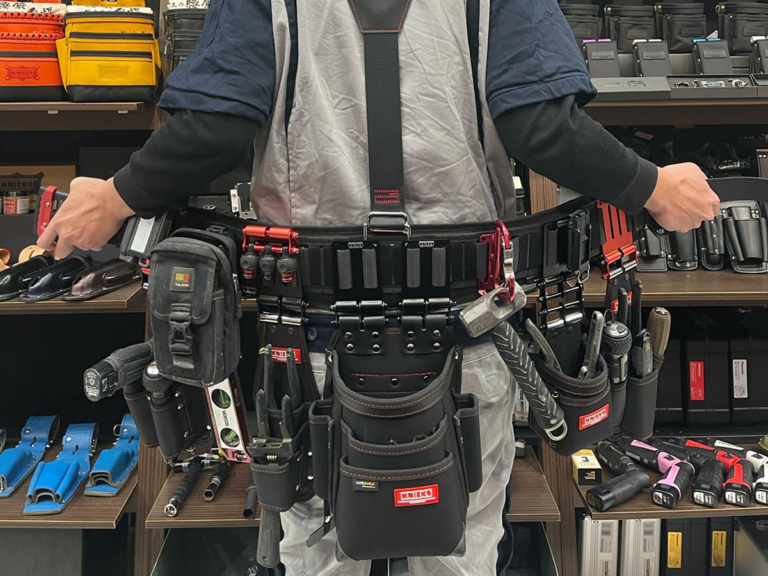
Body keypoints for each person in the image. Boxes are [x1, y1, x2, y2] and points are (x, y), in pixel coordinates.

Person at [38, 1, 720, 574]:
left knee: (319, 549)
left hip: (311, 344)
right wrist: (651, 185)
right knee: (459, 547)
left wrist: (118, 196)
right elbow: (541, 125)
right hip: (467, 333)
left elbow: (217, 126)